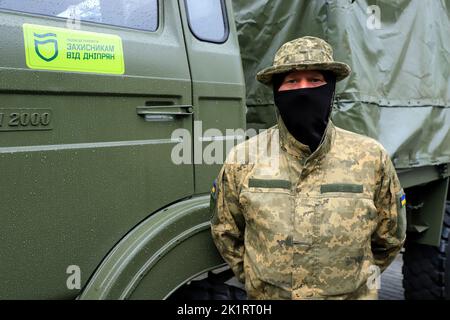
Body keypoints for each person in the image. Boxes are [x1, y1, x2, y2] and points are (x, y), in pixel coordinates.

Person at [210, 36, 407, 300]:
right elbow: (226, 231)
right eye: (292, 81)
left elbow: (389, 238)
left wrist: (349, 284)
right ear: (277, 92)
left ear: (331, 89)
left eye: (314, 80)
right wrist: (259, 281)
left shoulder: (370, 157)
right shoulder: (244, 158)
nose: (303, 91)